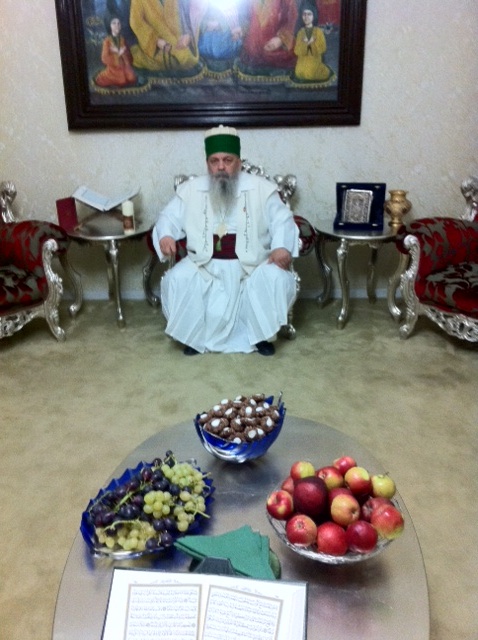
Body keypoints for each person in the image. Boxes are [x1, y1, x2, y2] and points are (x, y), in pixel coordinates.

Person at [152, 125, 299, 356]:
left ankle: (260, 337)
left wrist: (281, 247)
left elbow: (283, 220)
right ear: (207, 164)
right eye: (214, 161)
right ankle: (194, 338)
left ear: (238, 162)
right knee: (177, 278)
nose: (221, 166)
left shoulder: (262, 189)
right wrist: (166, 235)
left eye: (227, 160)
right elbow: (167, 217)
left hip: (251, 265)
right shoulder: (190, 190)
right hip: (204, 264)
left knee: (276, 278)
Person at [95, 16, 137, 88]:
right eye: (114, 23)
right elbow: (104, 58)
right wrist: (118, 54)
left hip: (124, 67)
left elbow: (130, 57)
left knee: (132, 78)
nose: (117, 25)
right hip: (113, 69)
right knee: (117, 80)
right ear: (110, 26)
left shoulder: (122, 39)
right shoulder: (107, 41)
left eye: (118, 23)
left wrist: (123, 53)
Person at [293, 5, 330, 82]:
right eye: (304, 14)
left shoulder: (318, 32)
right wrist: (305, 44)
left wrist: (311, 43)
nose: (306, 17)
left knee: (321, 73)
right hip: (303, 64)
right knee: (299, 73)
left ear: (313, 16)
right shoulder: (300, 33)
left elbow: (323, 48)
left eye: (309, 14)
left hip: (315, 62)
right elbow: (296, 51)